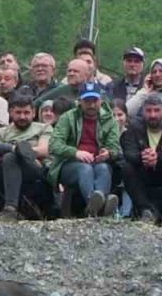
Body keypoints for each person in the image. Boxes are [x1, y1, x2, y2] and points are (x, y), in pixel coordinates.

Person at [0, 94, 52, 221]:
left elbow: (44, 150)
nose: (22, 116)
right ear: (10, 113)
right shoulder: (1, 132)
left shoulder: (43, 128)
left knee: (10, 157)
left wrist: (24, 153)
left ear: (33, 113)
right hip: (2, 171)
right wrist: (16, 149)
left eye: (26, 112)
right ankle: (14, 149)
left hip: (33, 169)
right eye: (18, 112)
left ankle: (10, 209)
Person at [48, 81, 121, 218]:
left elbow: (115, 147)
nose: (92, 105)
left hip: (98, 162)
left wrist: (108, 153)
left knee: (104, 168)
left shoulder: (109, 119)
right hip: (69, 164)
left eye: (95, 100)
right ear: (80, 101)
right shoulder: (68, 117)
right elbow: (54, 144)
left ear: (100, 100)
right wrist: (75, 152)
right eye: (87, 101)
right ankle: (98, 207)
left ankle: (93, 209)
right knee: (85, 169)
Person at [119, 92, 162, 225]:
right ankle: (146, 210)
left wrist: (159, 157)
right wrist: (143, 156)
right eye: (149, 110)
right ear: (143, 111)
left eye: (157, 110)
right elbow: (129, 152)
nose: (153, 115)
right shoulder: (133, 127)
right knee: (126, 167)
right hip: (143, 170)